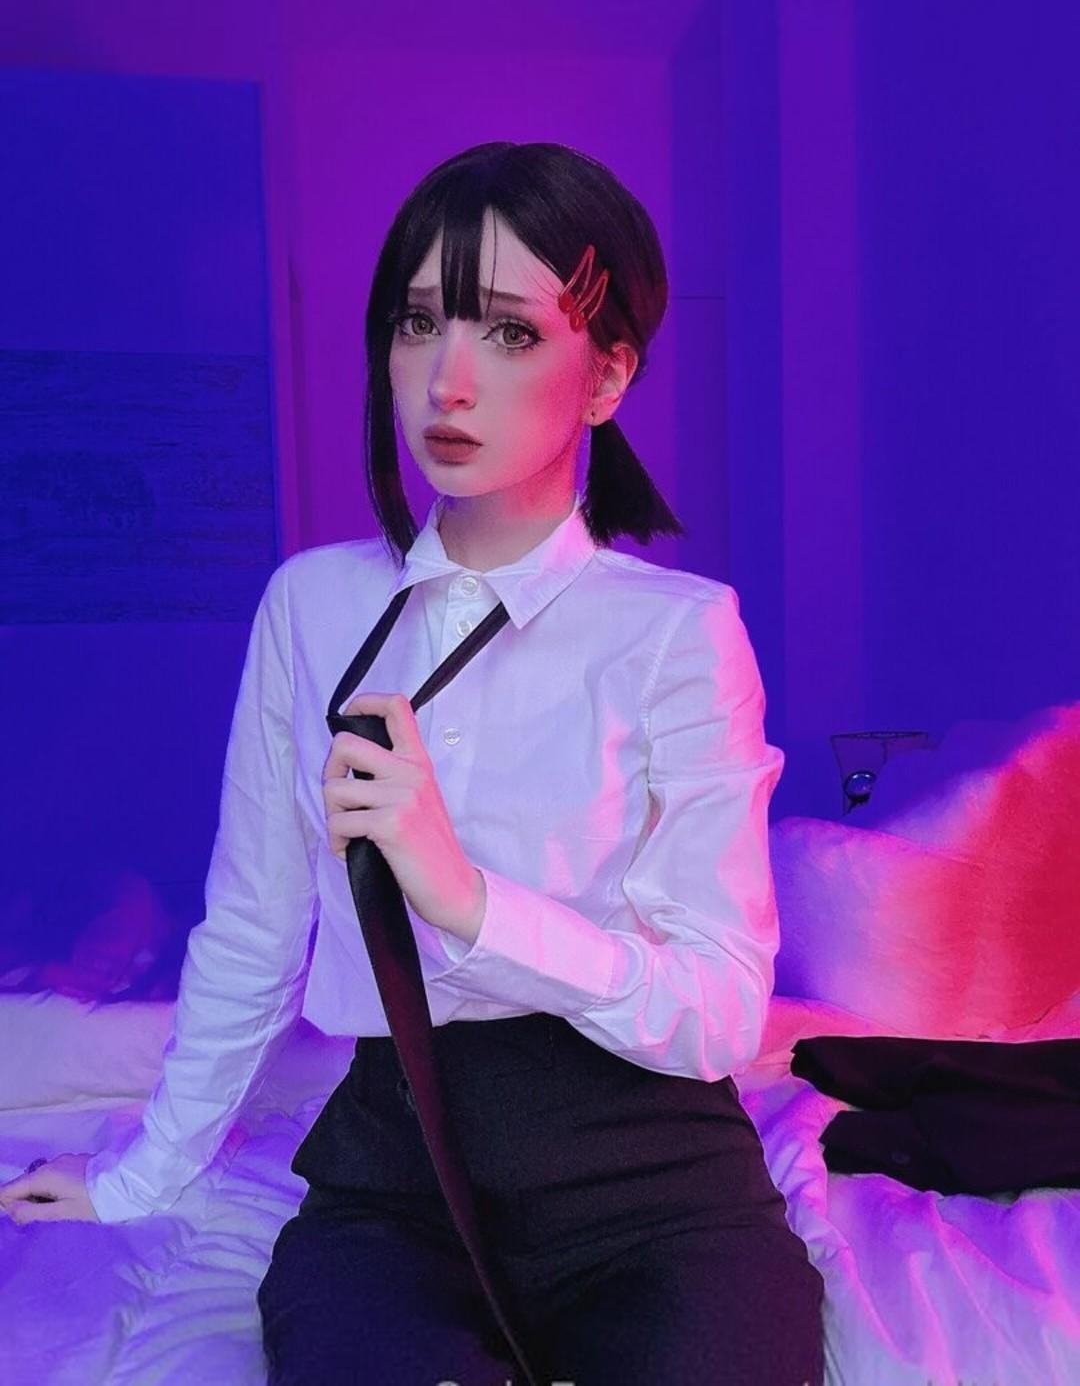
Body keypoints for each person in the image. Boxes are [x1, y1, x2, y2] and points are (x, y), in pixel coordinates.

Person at [0, 140, 825, 1384]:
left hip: (649, 1177)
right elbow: (255, 925)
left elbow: (720, 1006)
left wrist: (472, 901)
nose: (447, 378)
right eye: (419, 321)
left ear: (607, 374)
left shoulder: (679, 632)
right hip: (398, 1170)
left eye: (510, 332)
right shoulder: (313, 606)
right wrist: (139, 1174)